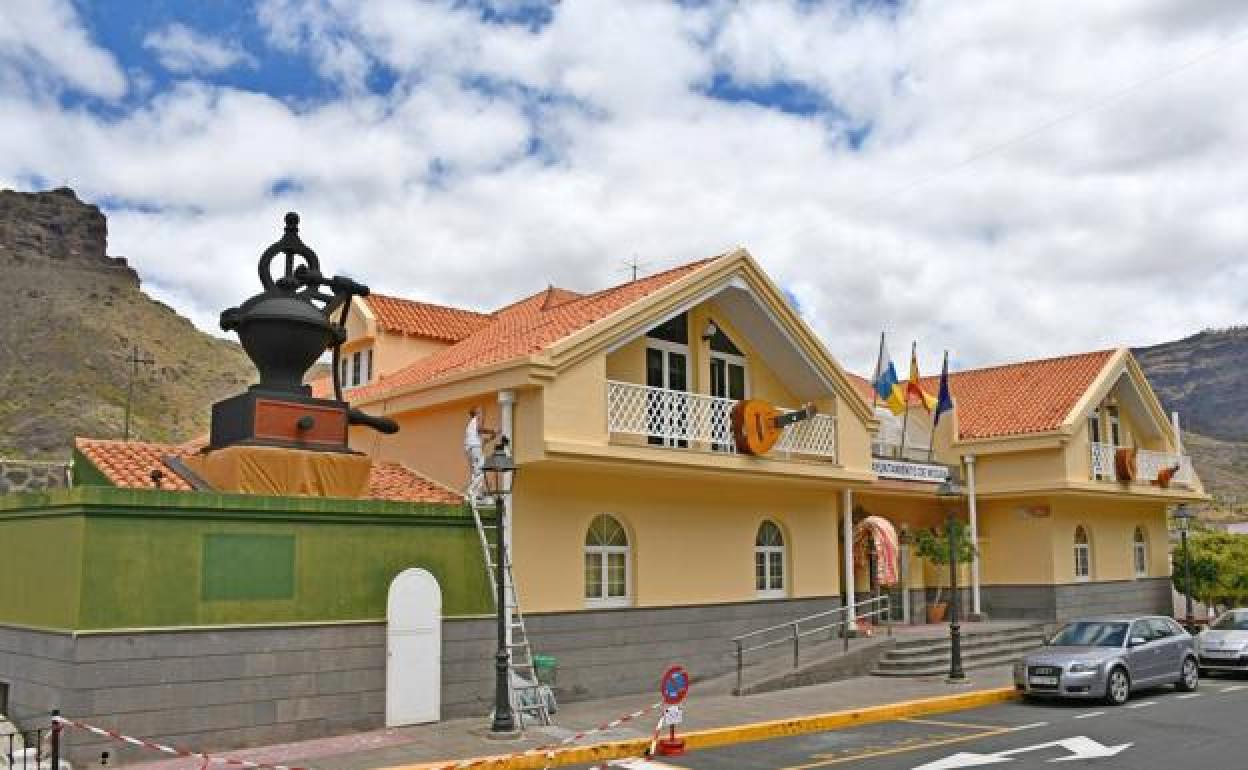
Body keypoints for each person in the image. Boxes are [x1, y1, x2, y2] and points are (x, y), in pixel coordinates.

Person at [464, 406, 497, 495]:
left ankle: (476, 493)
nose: (483, 415)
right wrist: (492, 431)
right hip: (474, 447)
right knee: (482, 469)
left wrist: (492, 437)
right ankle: (471, 490)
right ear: (477, 413)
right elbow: (479, 429)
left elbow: (481, 441)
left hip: (470, 448)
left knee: (476, 471)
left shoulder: (470, 425)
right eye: (482, 412)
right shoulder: (477, 419)